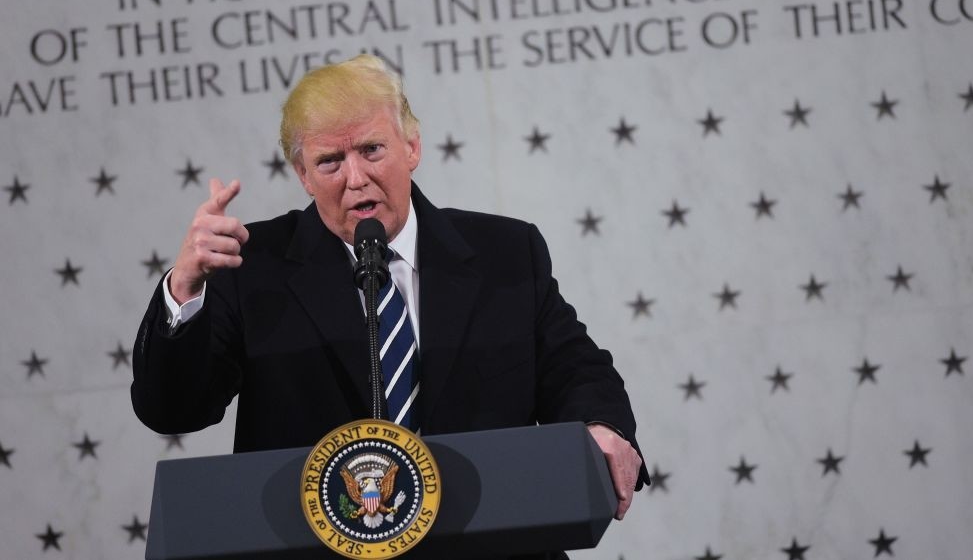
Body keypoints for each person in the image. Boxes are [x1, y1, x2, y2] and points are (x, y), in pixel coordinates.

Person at [131, 54, 648, 534]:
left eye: (371, 149)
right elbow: (173, 411)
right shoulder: (251, 265)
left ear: (412, 147)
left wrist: (601, 426)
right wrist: (185, 287)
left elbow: (575, 367)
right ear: (304, 176)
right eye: (330, 161)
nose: (356, 178)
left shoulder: (505, 253)